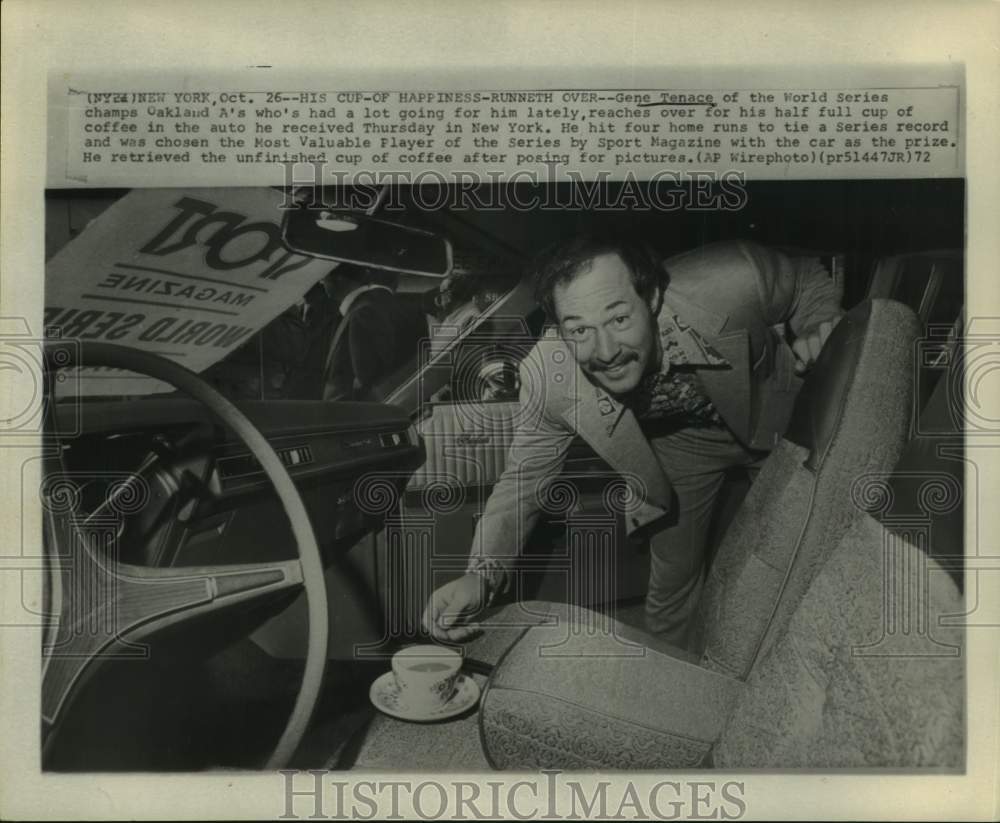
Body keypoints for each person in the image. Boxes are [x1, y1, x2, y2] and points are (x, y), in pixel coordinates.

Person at [422, 235, 843, 649]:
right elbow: (523, 481)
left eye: (619, 319)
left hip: (773, 416)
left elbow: (806, 280)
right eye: (579, 330)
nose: (605, 351)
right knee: (670, 587)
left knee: (800, 549)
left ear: (653, 298)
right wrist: (481, 572)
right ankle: (668, 691)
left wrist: (816, 325)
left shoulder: (733, 278)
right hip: (681, 443)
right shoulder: (549, 376)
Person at [319, 264, 428, 402]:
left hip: (356, 414)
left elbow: (367, 379)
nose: (321, 282)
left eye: (324, 277)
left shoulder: (363, 312)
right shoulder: (397, 306)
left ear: (339, 279)